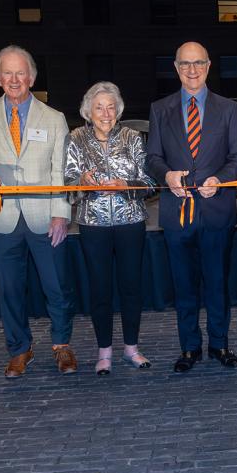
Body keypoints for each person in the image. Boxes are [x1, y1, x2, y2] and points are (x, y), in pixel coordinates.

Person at [0, 45, 76, 378]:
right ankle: (19, 349)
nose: (14, 79)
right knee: (9, 289)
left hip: (46, 217)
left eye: (21, 73)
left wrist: (61, 213)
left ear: (31, 77)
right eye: (8, 73)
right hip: (1, 218)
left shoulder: (54, 118)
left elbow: (62, 170)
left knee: (57, 286)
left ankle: (62, 345)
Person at [146, 41, 237, 373]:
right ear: (175, 68)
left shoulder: (228, 108)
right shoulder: (160, 109)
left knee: (217, 283)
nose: (192, 70)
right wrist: (167, 175)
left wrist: (219, 179)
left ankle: (219, 344)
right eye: (185, 64)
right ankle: (189, 347)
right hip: (176, 212)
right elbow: (153, 158)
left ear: (208, 66)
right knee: (184, 284)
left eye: (198, 63)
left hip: (216, 209)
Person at [65, 82, 155, 375]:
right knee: (100, 290)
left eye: (111, 106)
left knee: (131, 288)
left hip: (131, 223)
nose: (106, 113)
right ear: (88, 111)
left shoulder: (132, 137)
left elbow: (150, 184)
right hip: (93, 225)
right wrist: (83, 183)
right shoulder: (75, 138)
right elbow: (67, 188)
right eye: (99, 107)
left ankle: (132, 348)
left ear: (119, 110)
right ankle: (104, 351)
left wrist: (126, 185)